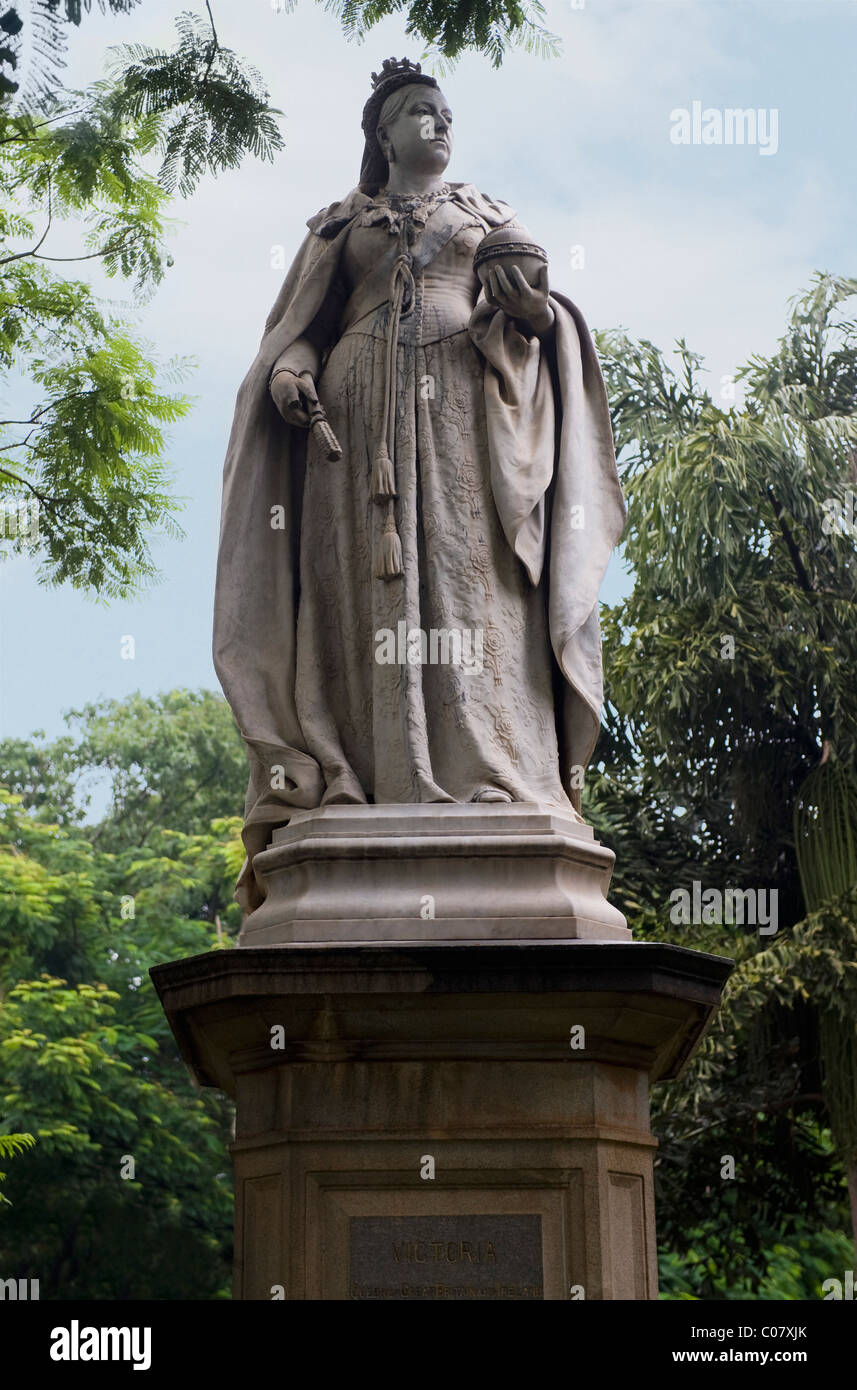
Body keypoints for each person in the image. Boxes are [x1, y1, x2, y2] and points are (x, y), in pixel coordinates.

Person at [214, 58, 625, 912]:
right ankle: (354, 775)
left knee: (476, 587)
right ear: (382, 134)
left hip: (467, 420)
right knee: (355, 593)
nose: (438, 125)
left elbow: (543, 322)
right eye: (418, 113)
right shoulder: (337, 227)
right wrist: (291, 375)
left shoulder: (488, 217)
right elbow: (298, 333)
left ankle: (495, 771)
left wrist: (535, 312)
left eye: (444, 113)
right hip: (355, 429)